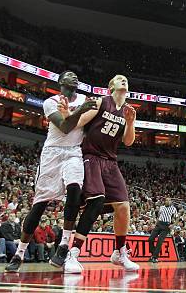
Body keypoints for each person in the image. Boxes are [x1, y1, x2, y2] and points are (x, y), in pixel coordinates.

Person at [5, 71, 96, 272]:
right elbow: (65, 127)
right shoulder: (50, 102)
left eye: (76, 75)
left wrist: (81, 112)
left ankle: (64, 244)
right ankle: (19, 253)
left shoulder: (84, 99)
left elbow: (84, 124)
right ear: (61, 82)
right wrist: (80, 110)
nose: (74, 77)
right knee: (40, 205)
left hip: (73, 152)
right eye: (69, 75)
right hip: (52, 153)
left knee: (74, 189)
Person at [60, 74, 139, 273]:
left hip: (110, 162)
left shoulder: (127, 111)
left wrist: (130, 123)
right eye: (119, 79)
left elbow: (128, 142)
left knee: (123, 207)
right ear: (110, 85)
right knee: (96, 200)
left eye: (125, 79)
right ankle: (73, 253)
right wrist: (66, 114)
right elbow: (77, 122)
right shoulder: (100, 102)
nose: (124, 80)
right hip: (91, 157)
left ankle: (120, 252)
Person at [148, 197, 177, 263]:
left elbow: (177, 217)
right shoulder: (161, 207)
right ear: (165, 201)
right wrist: (156, 223)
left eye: (169, 200)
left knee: (160, 241)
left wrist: (173, 225)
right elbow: (159, 216)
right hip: (159, 224)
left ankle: (154, 257)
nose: (168, 201)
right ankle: (153, 255)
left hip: (166, 226)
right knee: (150, 239)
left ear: (171, 202)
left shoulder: (173, 209)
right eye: (167, 200)